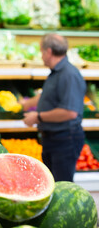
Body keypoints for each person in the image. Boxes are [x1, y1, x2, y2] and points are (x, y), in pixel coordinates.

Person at [21, 33, 86, 182]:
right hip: (53, 138)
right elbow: (50, 96)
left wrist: (37, 117)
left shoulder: (68, 75)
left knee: (61, 185)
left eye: (41, 51)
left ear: (48, 51)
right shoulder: (57, 72)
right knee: (50, 182)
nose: (41, 55)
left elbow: (70, 112)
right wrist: (28, 103)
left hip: (64, 139)